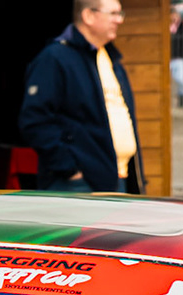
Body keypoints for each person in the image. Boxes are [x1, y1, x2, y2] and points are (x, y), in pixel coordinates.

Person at [18, 0, 143, 195]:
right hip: (78, 185)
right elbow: (34, 120)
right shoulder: (55, 58)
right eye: (113, 14)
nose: (119, 20)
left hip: (118, 178)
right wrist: (70, 169)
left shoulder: (111, 59)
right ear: (88, 16)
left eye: (120, 14)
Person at [167, 11, 183, 109]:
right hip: (168, 58)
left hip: (179, 57)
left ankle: (181, 97)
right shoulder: (166, 27)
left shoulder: (182, 28)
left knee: (181, 80)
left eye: (176, 16)